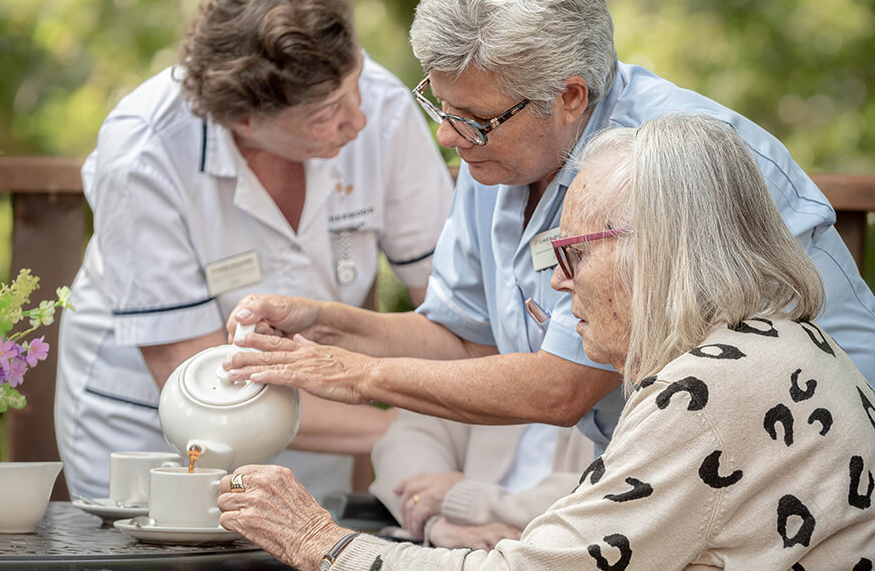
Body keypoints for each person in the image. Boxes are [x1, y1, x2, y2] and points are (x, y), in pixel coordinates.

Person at [221, 0, 875, 458]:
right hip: (687, 459)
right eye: (440, 106)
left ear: (569, 96)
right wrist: (323, 326)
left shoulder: (660, 160)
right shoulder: (502, 154)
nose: (448, 138)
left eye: (472, 120)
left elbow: (562, 385)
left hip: (804, 458)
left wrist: (356, 374)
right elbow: (463, 338)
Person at [217, 113, 875, 569]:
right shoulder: (768, 348)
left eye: (572, 254)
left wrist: (323, 545)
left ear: (657, 251)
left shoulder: (714, 384)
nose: (558, 285)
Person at [53, 0, 454, 502]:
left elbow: (451, 301)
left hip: (323, 437)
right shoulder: (143, 154)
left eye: (354, 83)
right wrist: (405, 434)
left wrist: (452, 423)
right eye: (325, 115)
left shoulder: (375, 104)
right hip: (157, 434)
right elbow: (196, 382)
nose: (356, 120)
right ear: (243, 119)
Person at [369, 411, 594, 549]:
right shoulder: (500, 352)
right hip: (457, 547)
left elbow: (602, 494)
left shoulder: (622, 387)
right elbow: (407, 436)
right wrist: (437, 524)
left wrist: (461, 499)